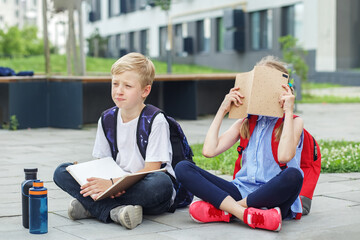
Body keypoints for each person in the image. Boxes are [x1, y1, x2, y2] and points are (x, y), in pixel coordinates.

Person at [175, 56, 304, 232]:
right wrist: (222, 109)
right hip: (241, 189)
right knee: (183, 168)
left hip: (274, 194)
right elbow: (209, 150)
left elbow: (284, 156)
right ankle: (246, 214)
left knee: (294, 175)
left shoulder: (294, 122)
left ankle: (228, 210)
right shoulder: (246, 123)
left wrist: (288, 111)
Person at [53, 52, 175, 230]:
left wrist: (113, 184)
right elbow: (102, 162)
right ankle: (114, 211)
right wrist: (98, 179)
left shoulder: (155, 120)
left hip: (143, 187)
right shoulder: (107, 118)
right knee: (61, 171)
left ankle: (92, 207)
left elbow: (152, 169)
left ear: (145, 91)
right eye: (115, 84)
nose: (119, 91)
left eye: (127, 86)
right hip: (111, 185)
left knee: (160, 184)